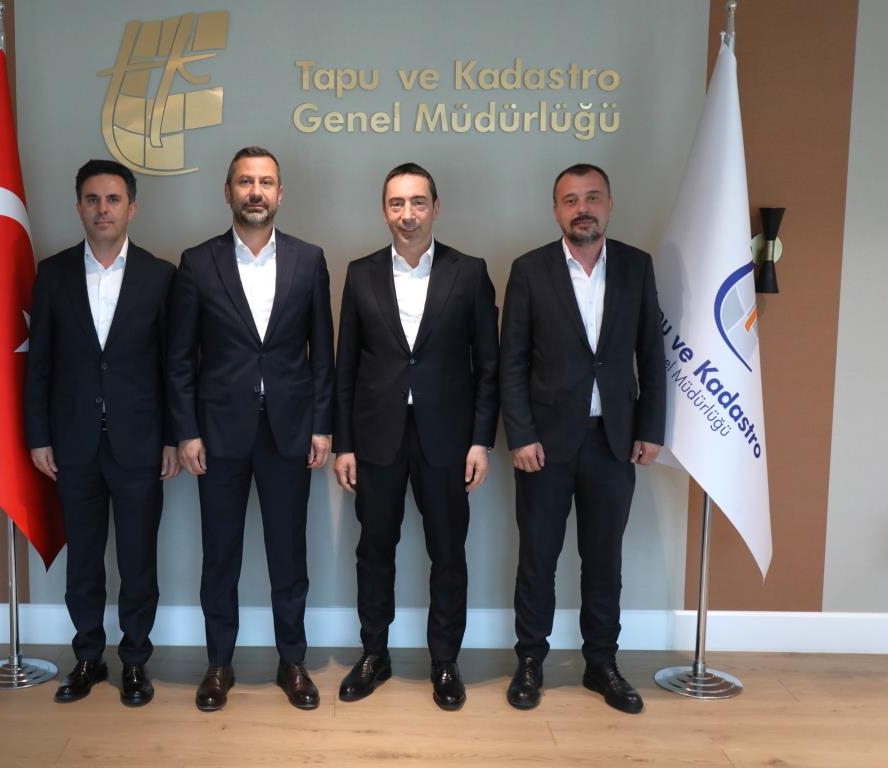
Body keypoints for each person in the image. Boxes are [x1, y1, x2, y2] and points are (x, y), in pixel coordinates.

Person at [168, 146, 335, 712]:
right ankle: (219, 664)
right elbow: (180, 358)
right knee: (220, 555)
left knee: (289, 554)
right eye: (245, 182)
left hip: (290, 431)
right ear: (228, 192)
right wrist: (186, 430)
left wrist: (321, 425)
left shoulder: (309, 260)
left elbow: (323, 354)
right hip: (217, 434)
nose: (255, 191)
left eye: (265, 182)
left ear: (280, 193)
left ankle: (292, 662)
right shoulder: (198, 262)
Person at [499, 163, 665, 714]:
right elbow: (511, 361)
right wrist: (520, 434)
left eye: (592, 198)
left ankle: (602, 664)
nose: (582, 209)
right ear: (556, 211)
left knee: (603, 561)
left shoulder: (637, 266)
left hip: (614, 442)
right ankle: (530, 661)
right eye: (570, 200)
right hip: (544, 445)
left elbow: (651, 353)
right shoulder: (529, 269)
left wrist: (651, 428)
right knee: (537, 560)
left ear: (610, 204)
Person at [333, 163, 499, 711]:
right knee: (374, 549)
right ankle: (374, 654)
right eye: (397, 203)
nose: (408, 214)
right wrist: (344, 444)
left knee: (448, 552)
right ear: (385, 211)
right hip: (376, 437)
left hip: (448, 439)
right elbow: (344, 366)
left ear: (435, 207)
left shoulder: (469, 272)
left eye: (418, 202)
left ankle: (445, 662)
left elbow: (489, 366)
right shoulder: (359, 273)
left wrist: (480, 440)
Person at [24, 159, 179, 706]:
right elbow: (39, 363)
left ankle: (135, 660)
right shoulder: (53, 274)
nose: (103, 209)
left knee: (138, 560)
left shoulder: (160, 276)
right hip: (73, 444)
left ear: (131, 208)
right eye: (92, 199)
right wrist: (39, 435)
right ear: (79, 208)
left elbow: (173, 365)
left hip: (141, 443)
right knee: (84, 559)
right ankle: (88, 656)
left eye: (113, 199)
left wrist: (172, 436)